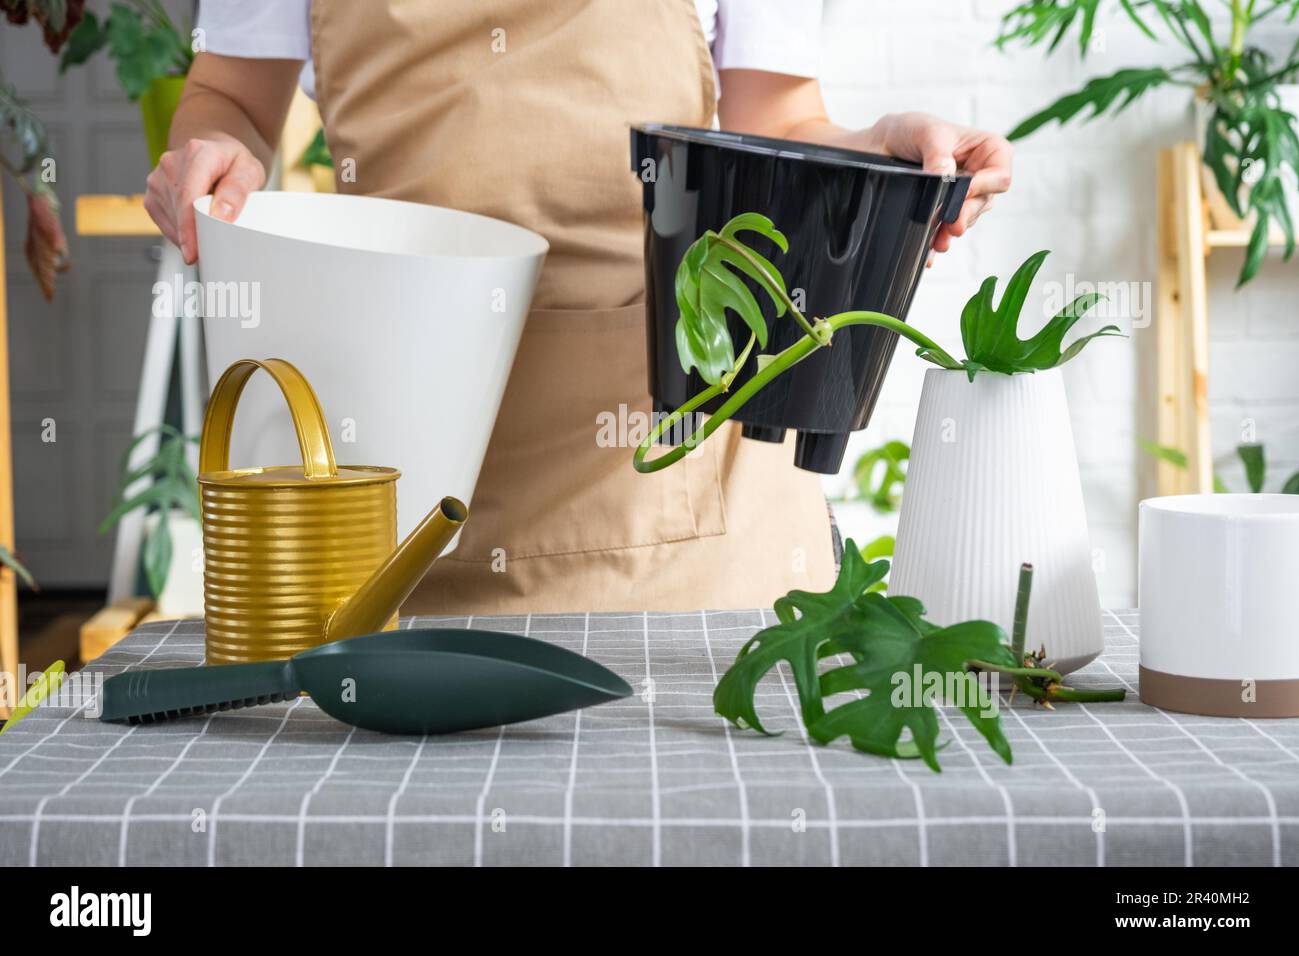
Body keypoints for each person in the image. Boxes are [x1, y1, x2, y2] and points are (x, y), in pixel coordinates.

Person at [145, 0, 1012, 614]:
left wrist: (883, 150)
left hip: (665, 475)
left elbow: (778, 124)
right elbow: (232, 95)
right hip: (414, 464)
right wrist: (214, 150)